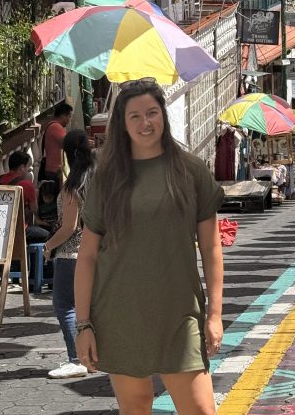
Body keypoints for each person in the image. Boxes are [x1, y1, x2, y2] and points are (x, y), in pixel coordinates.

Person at [74, 80, 224, 415]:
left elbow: (211, 248)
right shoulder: (107, 178)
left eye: (152, 113)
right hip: (119, 312)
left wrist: (214, 314)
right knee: (136, 405)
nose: (145, 123)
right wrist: (83, 325)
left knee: (200, 409)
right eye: (135, 116)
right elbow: (86, 257)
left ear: (164, 116)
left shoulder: (191, 170)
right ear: (122, 124)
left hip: (180, 313)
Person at [43, 130, 95, 379]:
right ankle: (92, 356)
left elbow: (69, 227)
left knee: (65, 305)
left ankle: (77, 358)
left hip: (71, 254)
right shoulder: (97, 181)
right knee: (90, 307)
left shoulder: (72, 187)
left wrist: (49, 245)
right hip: (96, 253)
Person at [0, 151, 49, 244]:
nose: (29, 169)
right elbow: (34, 209)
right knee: (48, 235)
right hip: (18, 230)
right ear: (21, 167)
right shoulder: (26, 184)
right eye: (28, 166)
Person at [40, 101, 73, 192]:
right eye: (69, 116)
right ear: (63, 116)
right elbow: (67, 143)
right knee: (60, 197)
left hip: (54, 169)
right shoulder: (56, 127)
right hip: (55, 170)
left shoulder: (52, 126)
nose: (69, 119)